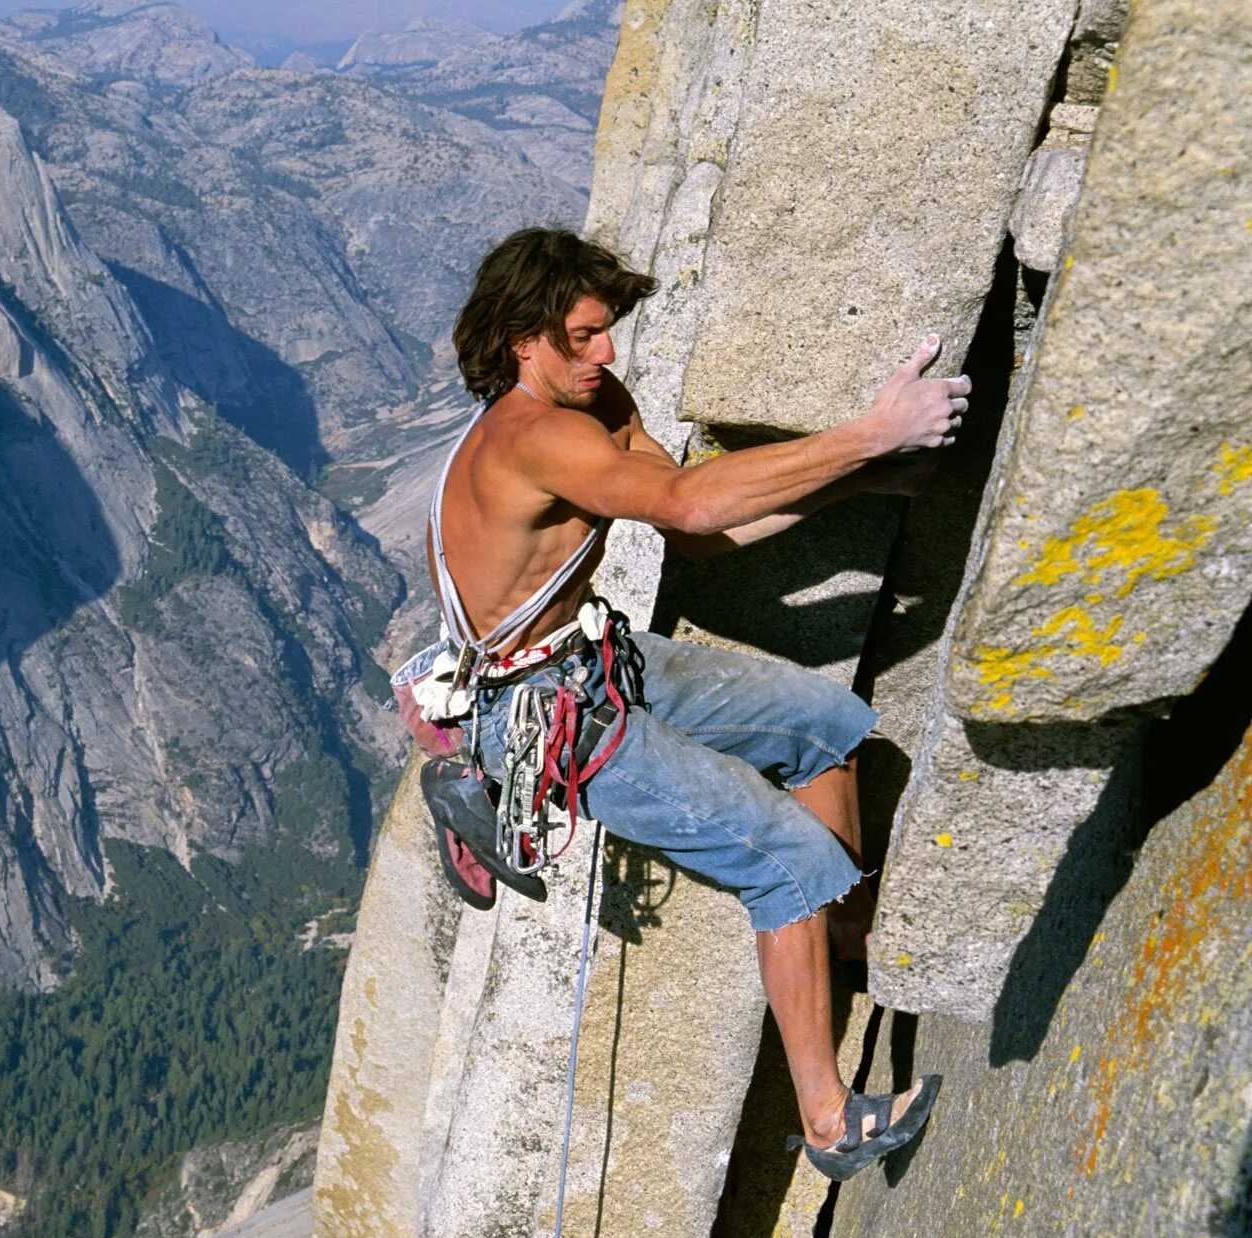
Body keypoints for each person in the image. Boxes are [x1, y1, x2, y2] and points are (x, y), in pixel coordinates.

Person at [397, 226, 961, 1180]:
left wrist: (857, 479)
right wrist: (872, 434)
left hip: (591, 658)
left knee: (826, 727)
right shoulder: (534, 437)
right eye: (582, 335)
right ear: (523, 339)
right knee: (786, 859)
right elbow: (694, 508)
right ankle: (831, 1126)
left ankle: (843, 930)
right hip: (546, 712)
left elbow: (695, 524)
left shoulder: (593, 399)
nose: (606, 351)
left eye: (605, 330)